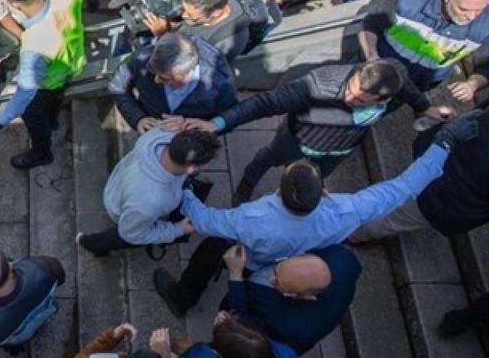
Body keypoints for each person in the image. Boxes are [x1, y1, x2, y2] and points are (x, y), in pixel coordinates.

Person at [153, 113, 477, 316]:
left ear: (280, 190)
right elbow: (404, 187)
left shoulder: (251, 218)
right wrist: (443, 145)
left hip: (252, 254)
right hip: (284, 262)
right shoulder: (348, 210)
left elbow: (206, 220)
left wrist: (184, 189)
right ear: (321, 192)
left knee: (208, 254)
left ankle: (182, 298)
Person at [184, 59, 447, 204]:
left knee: (315, 178)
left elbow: (409, 90)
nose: (348, 97)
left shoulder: (394, 75)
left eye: (359, 100)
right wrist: (218, 124)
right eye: (350, 88)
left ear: (381, 99)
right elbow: (265, 103)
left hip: (338, 150)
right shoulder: (317, 85)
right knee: (267, 158)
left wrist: (425, 107)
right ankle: (246, 184)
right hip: (298, 141)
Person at [0, 0, 86, 169]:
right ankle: (52, 122)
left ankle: (42, 153)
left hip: (46, 83)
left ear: (14, 4)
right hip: (71, 66)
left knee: (34, 117)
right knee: (55, 100)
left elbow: (24, 94)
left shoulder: (34, 45)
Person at [76, 129, 220, 256]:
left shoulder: (163, 133)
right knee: (121, 235)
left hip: (121, 184)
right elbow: (130, 234)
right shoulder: (150, 202)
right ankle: (90, 243)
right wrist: (177, 230)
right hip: (127, 212)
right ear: (190, 168)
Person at [353, 109, 488, 241]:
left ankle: (352, 226)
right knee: (392, 219)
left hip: (446, 166)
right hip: (447, 198)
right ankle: (350, 233)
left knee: (394, 207)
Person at [358, 0, 489, 91]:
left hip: (418, 85)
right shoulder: (409, 0)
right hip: (379, 69)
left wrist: (474, 84)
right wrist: (372, 56)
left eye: (479, 10)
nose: (471, 17)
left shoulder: (485, 25)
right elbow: (369, 20)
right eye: (463, 9)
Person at [221, 243, 361, 356]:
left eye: (278, 283)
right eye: (278, 269)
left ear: (305, 297)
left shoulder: (282, 324)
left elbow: (244, 324)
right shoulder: (342, 258)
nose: (271, 278)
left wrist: (235, 274)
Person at [109, 33, 237, 134]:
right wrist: (137, 119)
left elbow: (228, 119)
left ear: (188, 72)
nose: (156, 80)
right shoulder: (140, 58)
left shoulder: (221, 85)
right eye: (153, 71)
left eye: (165, 78)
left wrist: (190, 127)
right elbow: (117, 85)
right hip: (151, 131)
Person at [0, 245, 66, 356]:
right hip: (42, 311)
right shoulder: (44, 267)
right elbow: (60, 277)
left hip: (17, 335)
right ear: (8, 264)